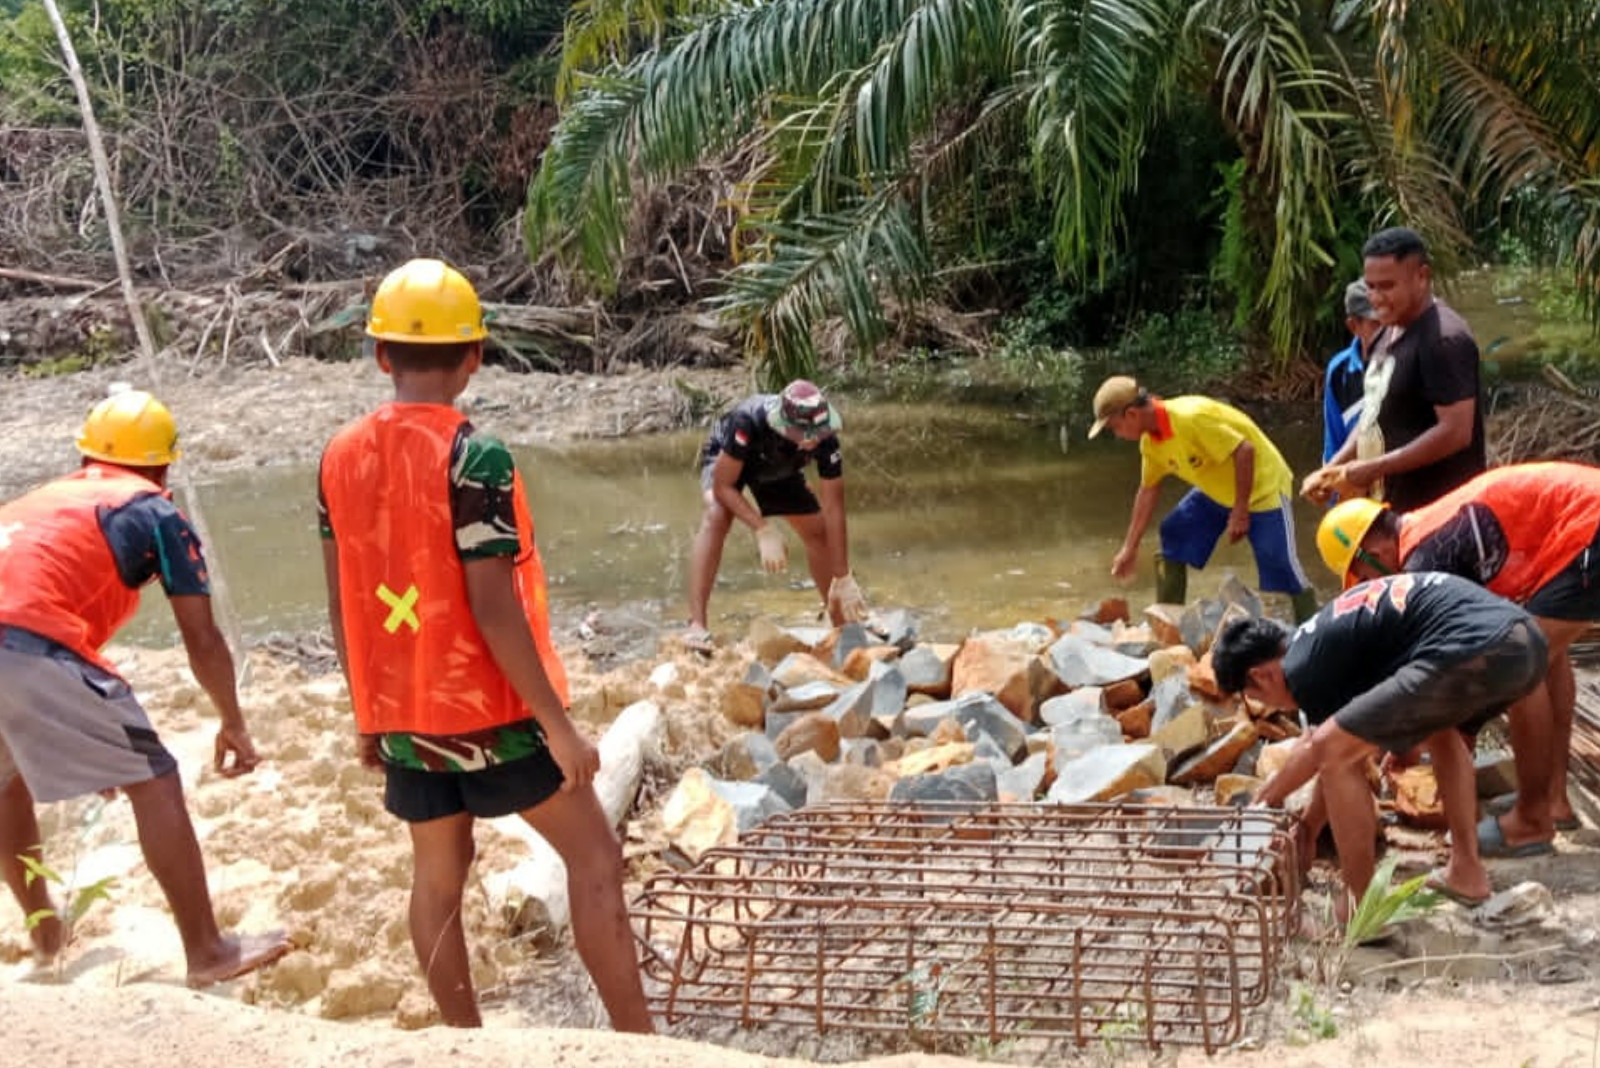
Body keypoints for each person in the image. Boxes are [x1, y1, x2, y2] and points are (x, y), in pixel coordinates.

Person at [318, 258, 653, 1031]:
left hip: (401, 710)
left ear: (379, 356)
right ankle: (641, 1044)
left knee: (438, 873)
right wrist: (559, 726)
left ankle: (463, 1042)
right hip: (491, 714)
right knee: (594, 858)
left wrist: (367, 713)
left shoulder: (338, 455)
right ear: (475, 356)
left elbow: (344, 606)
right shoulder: (476, 456)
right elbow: (493, 606)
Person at [0, 388, 290, 984]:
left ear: (86, 458)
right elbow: (202, 639)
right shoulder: (153, 511)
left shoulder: (43, 501)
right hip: (29, 642)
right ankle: (209, 951)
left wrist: (89, 741)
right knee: (153, 777)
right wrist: (232, 720)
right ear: (163, 466)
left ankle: (45, 933)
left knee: (5, 785)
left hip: (22, 642)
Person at [1212, 573, 1551, 911]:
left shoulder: (1301, 668)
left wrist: (1266, 800)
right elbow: (1342, 758)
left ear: (1259, 675)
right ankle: (1466, 871)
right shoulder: (1322, 637)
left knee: (1335, 749)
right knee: (1441, 734)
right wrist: (1310, 827)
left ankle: (1362, 908)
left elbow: (1319, 750)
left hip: (1474, 647)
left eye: (1254, 697)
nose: (1270, 707)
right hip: (1526, 643)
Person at [1318, 460, 1600, 852]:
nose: (1375, 590)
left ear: (1374, 551)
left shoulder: (1425, 560)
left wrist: (1417, 735)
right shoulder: (1429, 531)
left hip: (1589, 524)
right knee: (1546, 655)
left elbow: (1449, 669)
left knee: (1520, 663)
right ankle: (1553, 801)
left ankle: (1532, 822)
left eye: (1366, 579)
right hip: (1585, 519)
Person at [1089, 375, 1318, 622]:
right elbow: (1148, 490)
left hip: (1263, 488)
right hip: (1217, 491)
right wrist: (1129, 548)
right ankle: (1167, 621)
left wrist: (1240, 511)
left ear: (1132, 414)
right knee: (1175, 532)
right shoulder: (1150, 443)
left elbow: (1244, 451)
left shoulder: (1190, 418)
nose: (1118, 435)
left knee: (1279, 562)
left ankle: (1312, 628)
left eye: (1115, 427)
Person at [1304, 227, 1484, 511]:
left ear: (1422, 277)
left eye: (1387, 286)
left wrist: (1374, 467)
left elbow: (1456, 432)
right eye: (1371, 286)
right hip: (1392, 510)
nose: (1376, 298)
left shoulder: (1443, 339)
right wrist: (1334, 467)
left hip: (1443, 515)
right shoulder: (1385, 333)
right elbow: (1372, 414)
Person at [686, 379, 867, 651]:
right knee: (717, 514)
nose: (815, 440)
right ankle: (696, 626)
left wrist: (843, 575)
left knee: (817, 530)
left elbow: (834, 508)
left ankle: (841, 623)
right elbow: (723, 487)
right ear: (787, 426)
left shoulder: (825, 438)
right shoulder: (747, 421)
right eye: (808, 435)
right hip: (731, 459)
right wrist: (762, 529)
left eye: (819, 434)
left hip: (778, 468)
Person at [1321, 280, 1382, 466]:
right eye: (1376, 324)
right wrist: (1330, 480)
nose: (1386, 330)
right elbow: (1334, 439)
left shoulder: (1403, 359)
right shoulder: (1340, 372)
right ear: (1354, 326)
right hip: (1357, 479)